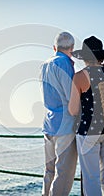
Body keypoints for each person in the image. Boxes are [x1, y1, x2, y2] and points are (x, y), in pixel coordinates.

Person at [69, 36, 104, 196]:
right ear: (102, 56)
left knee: (91, 179)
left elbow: (73, 110)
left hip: (89, 132)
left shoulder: (79, 76)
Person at [40, 32, 78, 196]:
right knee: (64, 173)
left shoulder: (44, 65)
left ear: (54, 47)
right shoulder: (64, 63)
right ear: (72, 48)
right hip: (65, 126)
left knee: (49, 170)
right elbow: (72, 97)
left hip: (49, 124)